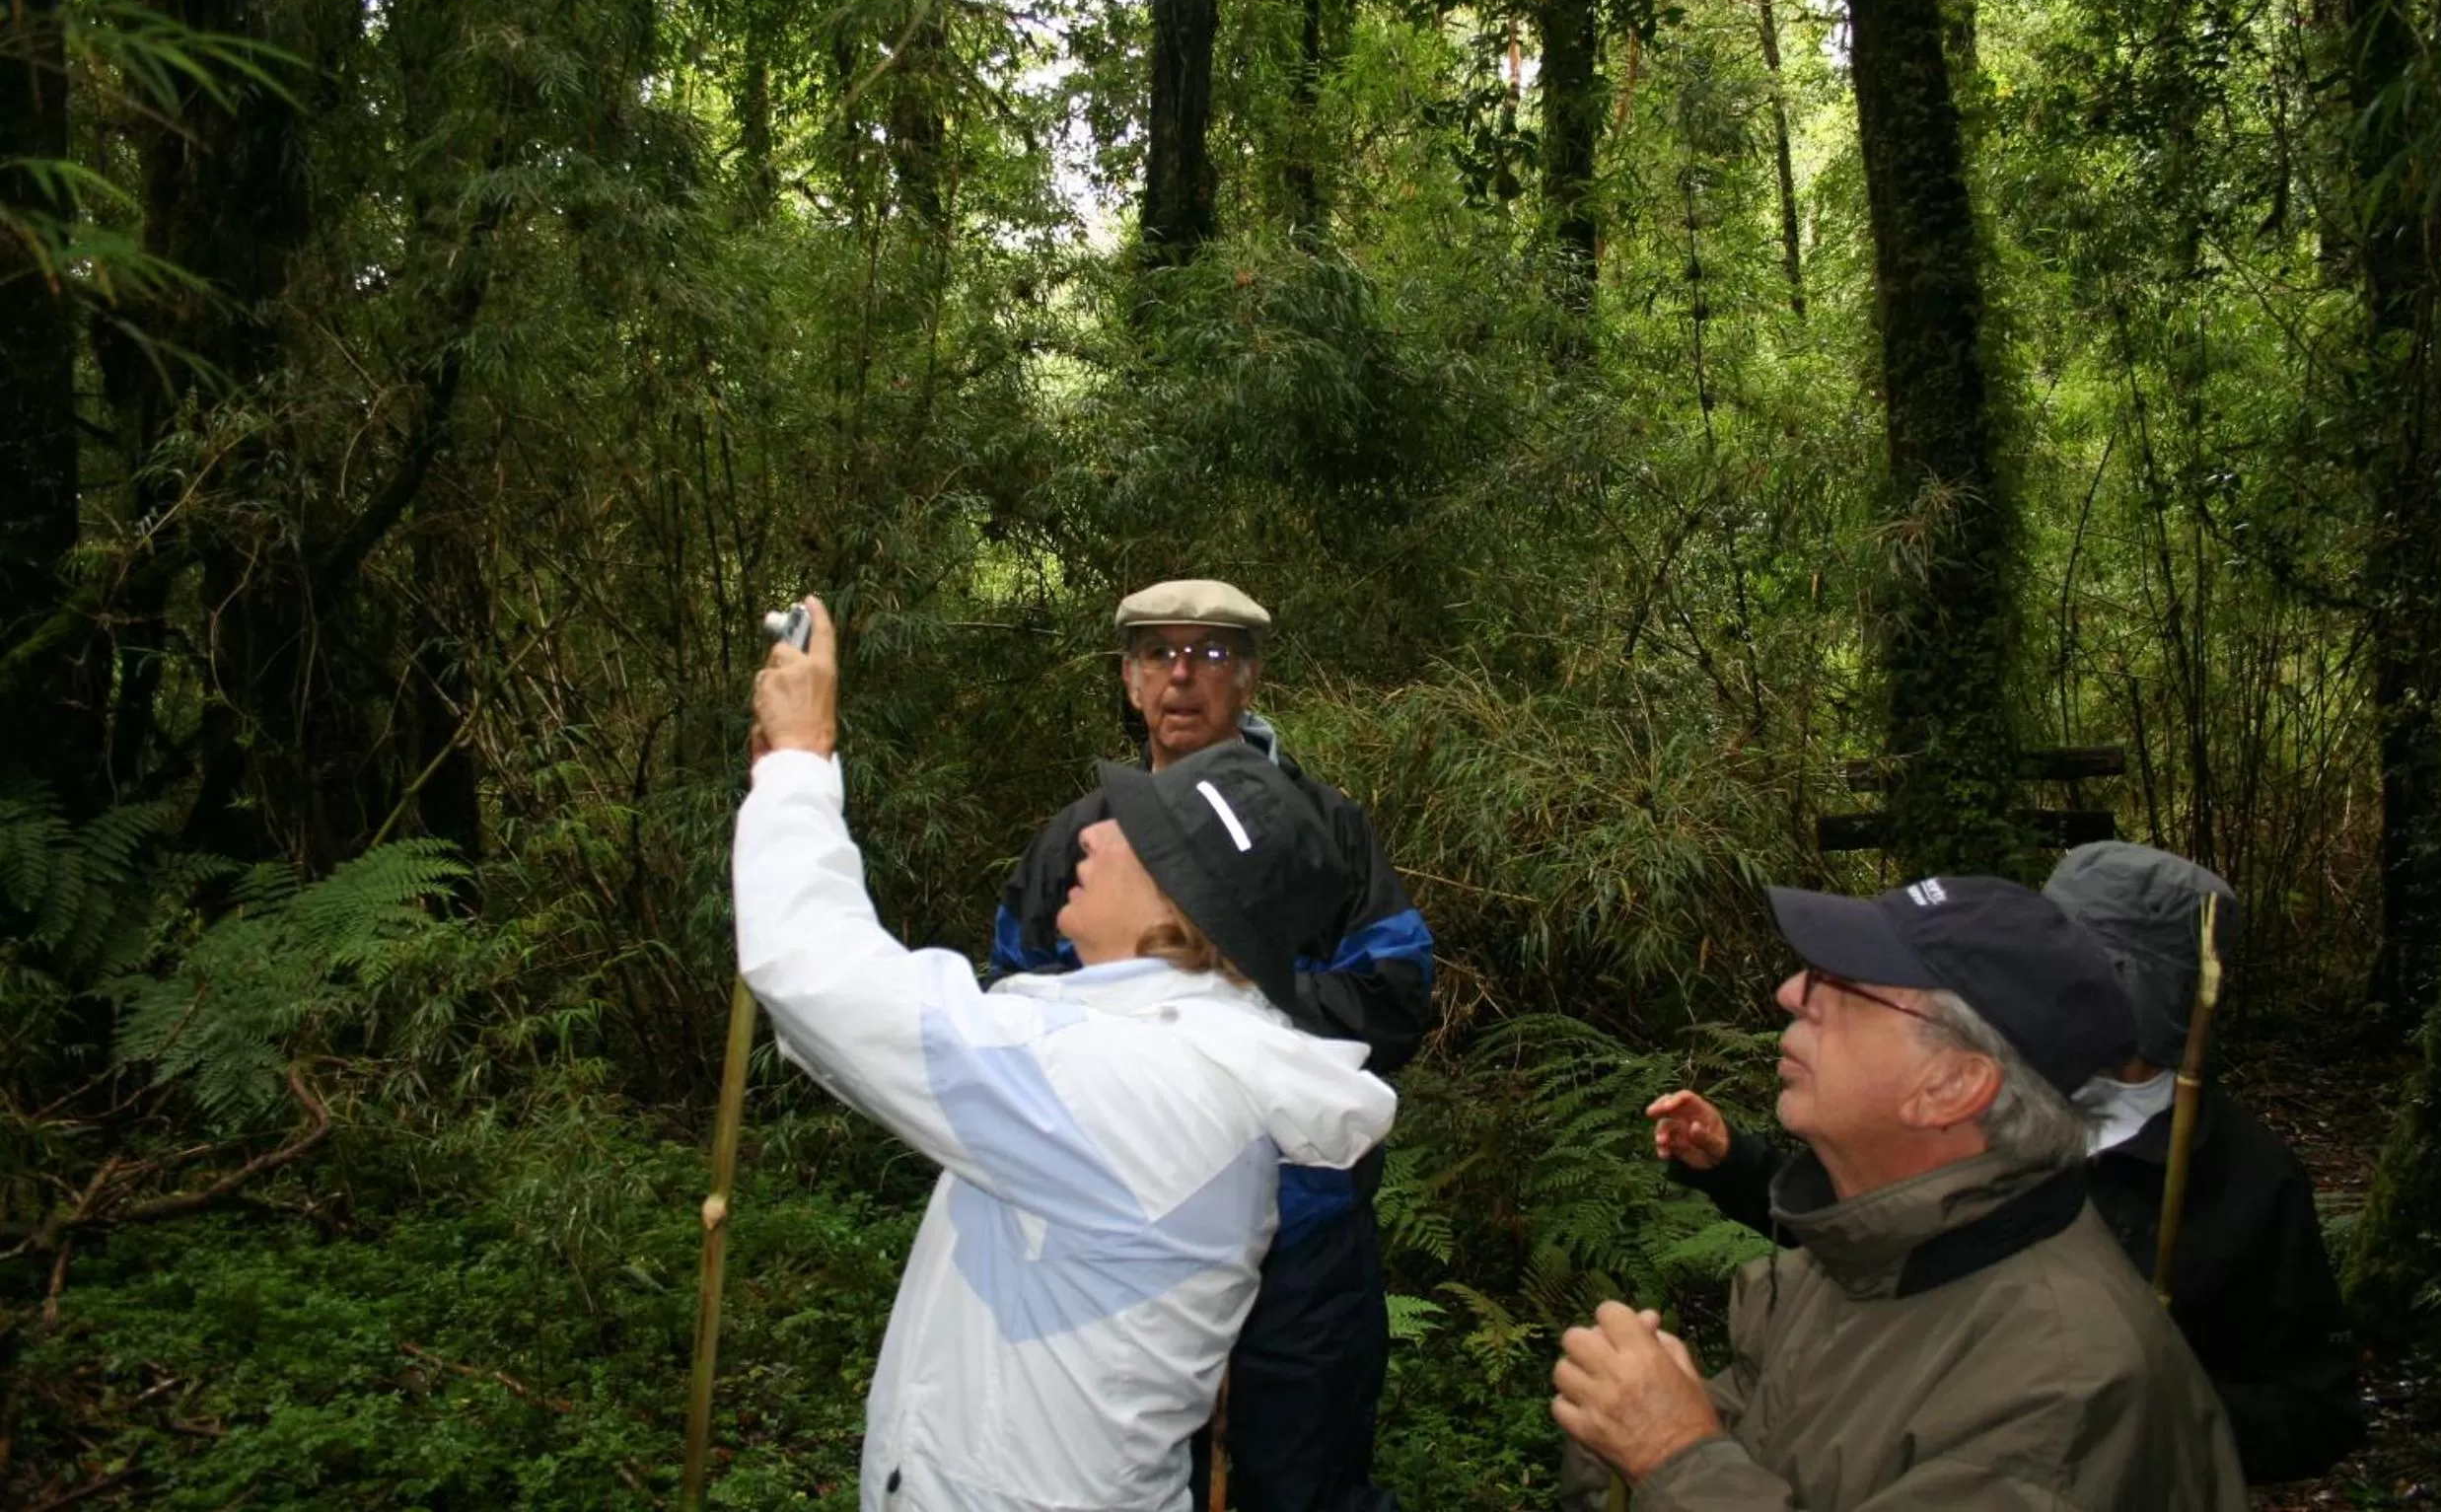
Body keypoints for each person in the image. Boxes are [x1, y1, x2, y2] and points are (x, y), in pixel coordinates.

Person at [737, 598, 1398, 1512]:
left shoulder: (1144, 1089)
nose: (1089, 833)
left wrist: (803, 769)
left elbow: (819, 977)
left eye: (1131, 831)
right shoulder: (1173, 1054)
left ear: (1184, 911)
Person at [1650, 844, 2364, 1484]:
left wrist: (2148, 1407)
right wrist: (1735, 1166)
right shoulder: (1997, 1114)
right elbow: (1881, 1241)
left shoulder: (2243, 1176)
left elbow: (2315, 1404)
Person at [1555, 876, 2246, 1510]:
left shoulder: (2061, 1400)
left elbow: (1703, 1467)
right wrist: (1633, 1427)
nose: (1792, 992)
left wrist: (1675, 1459)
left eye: (1843, 982)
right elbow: (1787, 1455)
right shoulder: (1868, 1260)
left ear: (1950, 1085)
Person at [993, 579, 1433, 1512]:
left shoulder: (1323, 830)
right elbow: (1013, 999)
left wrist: (1227, 993)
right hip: (1119, 1229)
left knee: (1303, 1477)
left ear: (1251, 679)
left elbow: (1395, 993)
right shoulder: (1078, 837)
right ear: (1128, 679)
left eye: (1212, 654)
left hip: (1302, 1229)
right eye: (1160, 653)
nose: (1183, 676)